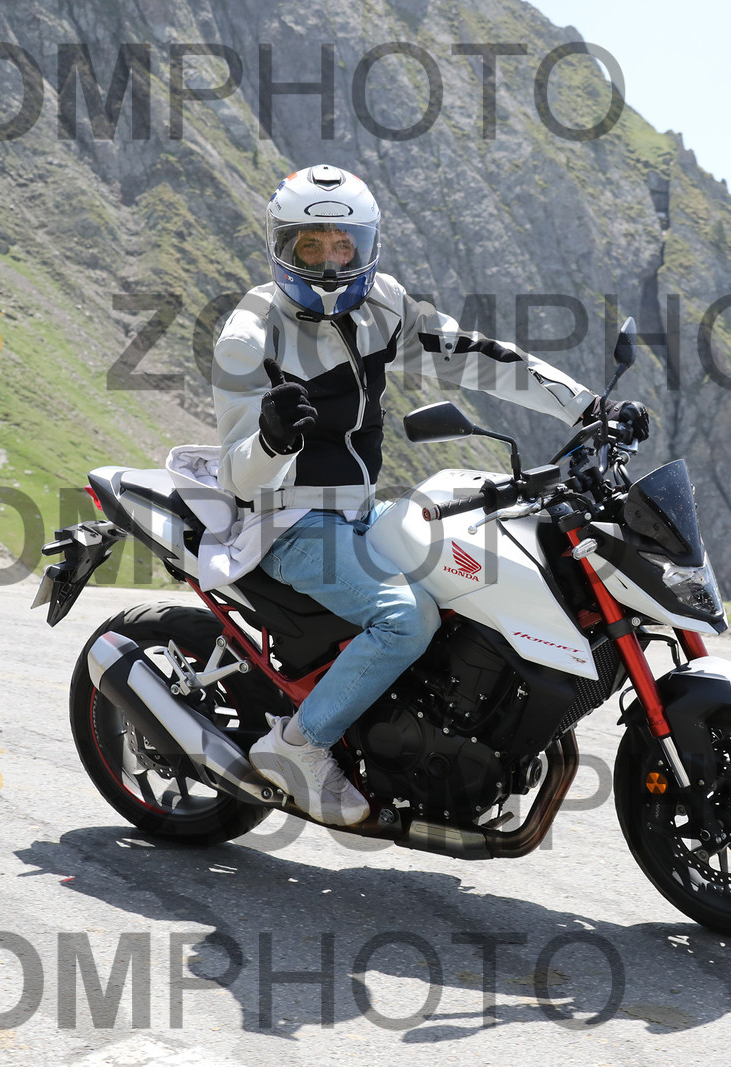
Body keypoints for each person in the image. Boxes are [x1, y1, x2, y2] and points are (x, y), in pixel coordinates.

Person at [210, 164, 649, 827]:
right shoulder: (250, 335)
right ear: (281, 245)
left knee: (484, 567)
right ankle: (297, 747)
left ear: (365, 244)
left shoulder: (382, 305)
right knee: (405, 619)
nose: (329, 263)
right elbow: (236, 477)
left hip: (360, 509)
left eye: (343, 245)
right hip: (285, 521)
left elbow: (477, 356)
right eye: (310, 245)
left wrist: (588, 407)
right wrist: (271, 440)